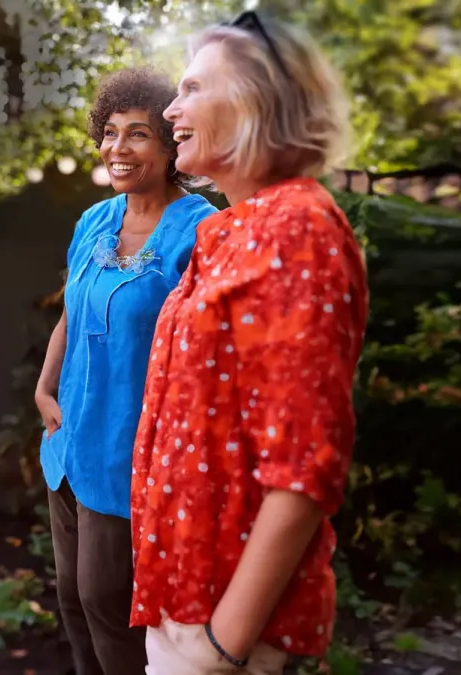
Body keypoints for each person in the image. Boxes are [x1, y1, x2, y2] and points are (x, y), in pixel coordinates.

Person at [129, 12, 369, 675]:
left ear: (260, 99)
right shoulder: (229, 232)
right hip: (186, 608)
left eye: (193, 87)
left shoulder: (297, 229)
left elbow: (305, 461)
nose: (171, 107)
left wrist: (225, 641)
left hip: (228, 631)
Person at [34, 66, 218, 675]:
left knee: (107, 602)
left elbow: (210, 357)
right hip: (68, 444)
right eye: (110, 133)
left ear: (171, 146)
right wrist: (43, 386)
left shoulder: (201, 230)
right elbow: (71, 310)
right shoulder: (94, 222)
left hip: (131, 455)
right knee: (69, 598)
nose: (118, 147)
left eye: (137, 134)